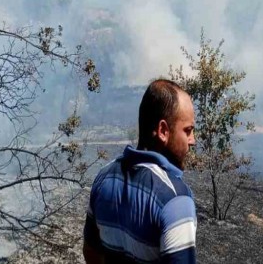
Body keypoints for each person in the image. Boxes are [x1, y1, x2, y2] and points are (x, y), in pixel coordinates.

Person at [83, 79, 197, 263]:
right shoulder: (176, 201)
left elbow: (91, 252)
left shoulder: (104, 177)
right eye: (188, 130)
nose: (193, 140)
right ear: (163, 131)